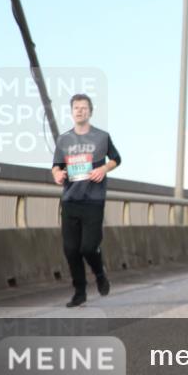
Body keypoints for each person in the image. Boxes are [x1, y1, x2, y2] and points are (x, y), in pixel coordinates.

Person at [52, 93, 121, 308]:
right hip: (71, 199)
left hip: (93, 199)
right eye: (76, 108)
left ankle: (100, 275)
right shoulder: (64, 139)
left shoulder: (101, 137)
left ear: (90, 111)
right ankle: (79, 292)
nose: (80, 111)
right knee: (71, 250)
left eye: (84, 108)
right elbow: (56, 165)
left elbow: (116, 159)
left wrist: (103, 168)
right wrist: (57, 174)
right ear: (72, 112)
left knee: (89, 247)